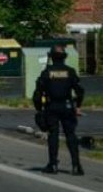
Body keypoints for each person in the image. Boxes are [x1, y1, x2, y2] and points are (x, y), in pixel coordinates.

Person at [33, 44, 85, 175]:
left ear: (51, 57)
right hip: (67, 106)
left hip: (52, 107)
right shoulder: (70, 71)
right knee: (71, 135)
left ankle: (53, 164)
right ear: (64, 57)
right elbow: (80, 91)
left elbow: (37, 95)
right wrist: (78, 106)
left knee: (53, 135)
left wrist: (39, 110)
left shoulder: (46, 73)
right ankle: (76, 165)